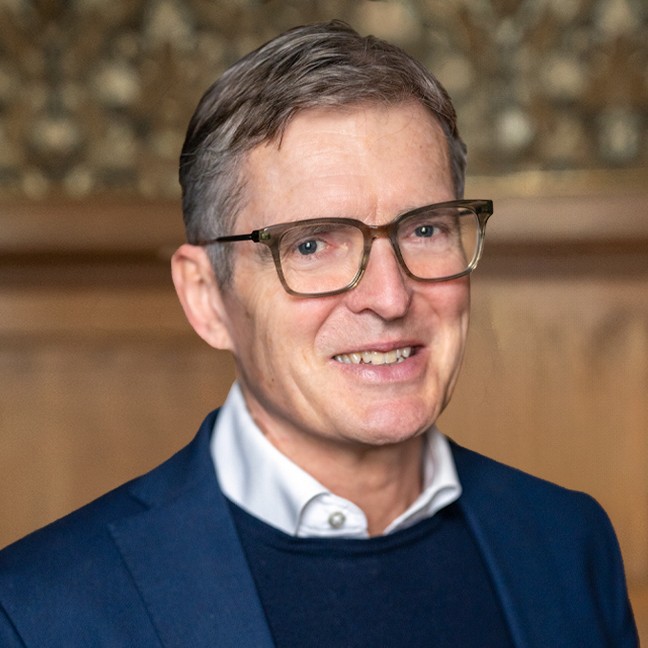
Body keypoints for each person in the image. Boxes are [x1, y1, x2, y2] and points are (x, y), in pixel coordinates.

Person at [0, 20, 638, 647]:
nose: (389, 298)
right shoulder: (40, 612)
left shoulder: (568, 542)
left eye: (425, 230)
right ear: (206, 297)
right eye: (311, 244)